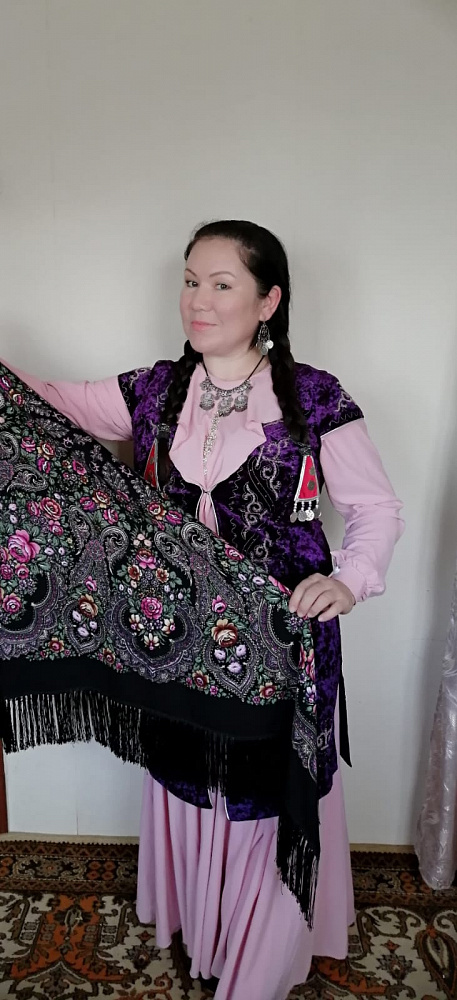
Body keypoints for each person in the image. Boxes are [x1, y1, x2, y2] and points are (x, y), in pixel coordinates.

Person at [4, 220, 404, 1000]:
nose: (198, 299)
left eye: (221, 284)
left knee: (262, 794)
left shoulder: (315, 397)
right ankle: (205, 932)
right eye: (190, 281)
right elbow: (44, 407)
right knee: (191, 777)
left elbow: (375, 509)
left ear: (268, 301)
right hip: (178, 644)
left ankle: (258, 964)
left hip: (279, 641)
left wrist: (350, 580)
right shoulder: (154, 390)